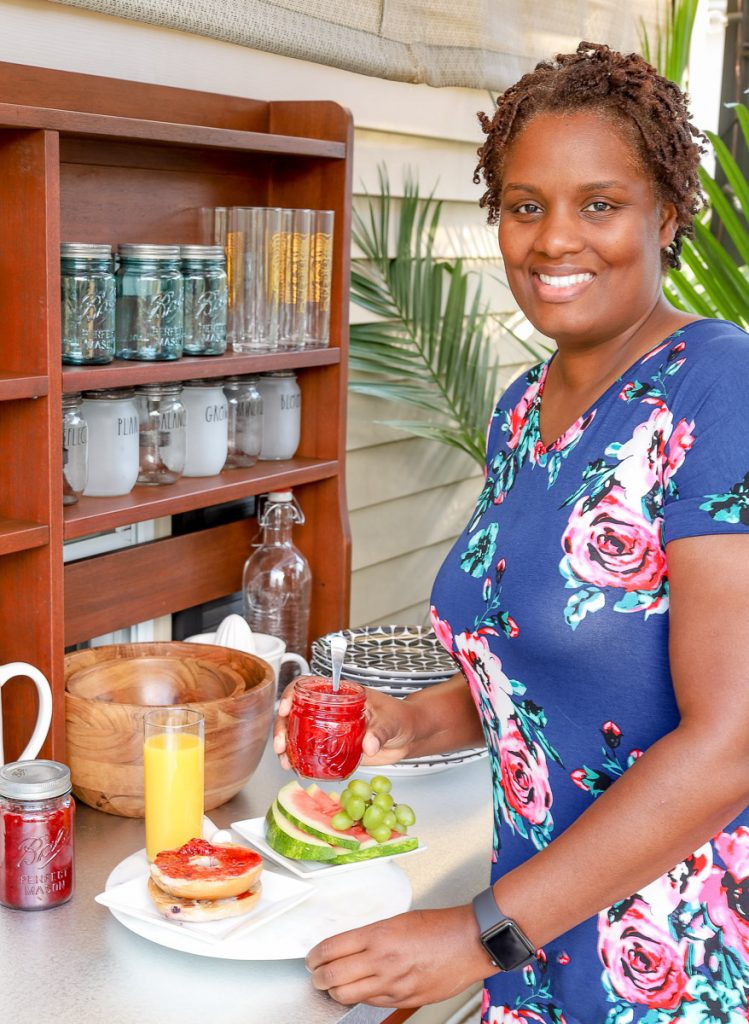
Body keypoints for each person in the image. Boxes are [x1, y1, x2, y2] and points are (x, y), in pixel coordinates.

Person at [274, 41, 749, 1022]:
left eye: (599, 204)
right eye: (525, 205)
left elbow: (731, 741)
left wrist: (474, 931)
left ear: (663, 213)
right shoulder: (522, 410)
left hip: (678, 964)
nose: (552, 240)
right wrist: (406, 721)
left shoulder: (718, 384)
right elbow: (533, 669)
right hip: (535, 948)